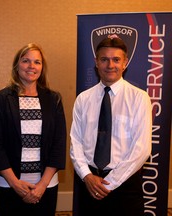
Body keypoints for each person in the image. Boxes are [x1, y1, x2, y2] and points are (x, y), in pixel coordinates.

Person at [70, 35, 152, 216]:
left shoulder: (139, 98)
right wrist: (87, 176)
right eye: (104, 59)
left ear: (125, 63)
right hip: (89, 183)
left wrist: (111, 182)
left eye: (116, 60)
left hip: (125, 184)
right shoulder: (83, 99)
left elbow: (142, 148)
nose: (110, 65)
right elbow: (75, 142)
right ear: (96, 62)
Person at [0, 43, 67, 216]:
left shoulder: (53, 99)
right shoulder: (1, 99)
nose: (32, 66)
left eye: (37, 62)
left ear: (42, 68)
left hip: (45, 184)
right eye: (26, 61)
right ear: (17, 66)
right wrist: (15, 183)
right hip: (9, 183)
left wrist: (42, 185)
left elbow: (59, 143)